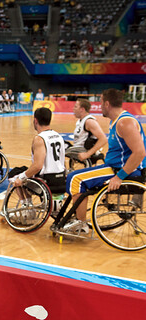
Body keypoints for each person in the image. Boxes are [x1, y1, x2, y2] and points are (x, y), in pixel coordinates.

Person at [65, 89, 146, 234]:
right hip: (115, 166)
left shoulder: (124, 123)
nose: (100, 106)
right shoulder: (117, 121)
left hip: (123, 171)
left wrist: (119, 177)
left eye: (101, 102)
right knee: (75, 176)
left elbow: (140, 153)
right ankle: (78, 217)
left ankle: (80, 224)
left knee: (75, 179)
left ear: (107, 103)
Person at [9, 107, 66, 196]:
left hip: (46, 181)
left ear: (35, 121)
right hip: (61, 179)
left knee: (14, 173)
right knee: (25, 170)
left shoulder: (40, 139)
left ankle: (26, 205)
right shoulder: (58, 136)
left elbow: (37, 166)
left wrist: (21, 178)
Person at [65, 98, 107, 162]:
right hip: (76, 148)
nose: (73, 108)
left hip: (81, 150)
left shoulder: (89, 121)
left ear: (82, 109)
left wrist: (87, 154)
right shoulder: (80, 121)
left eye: (76, 107)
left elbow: (103, 139)